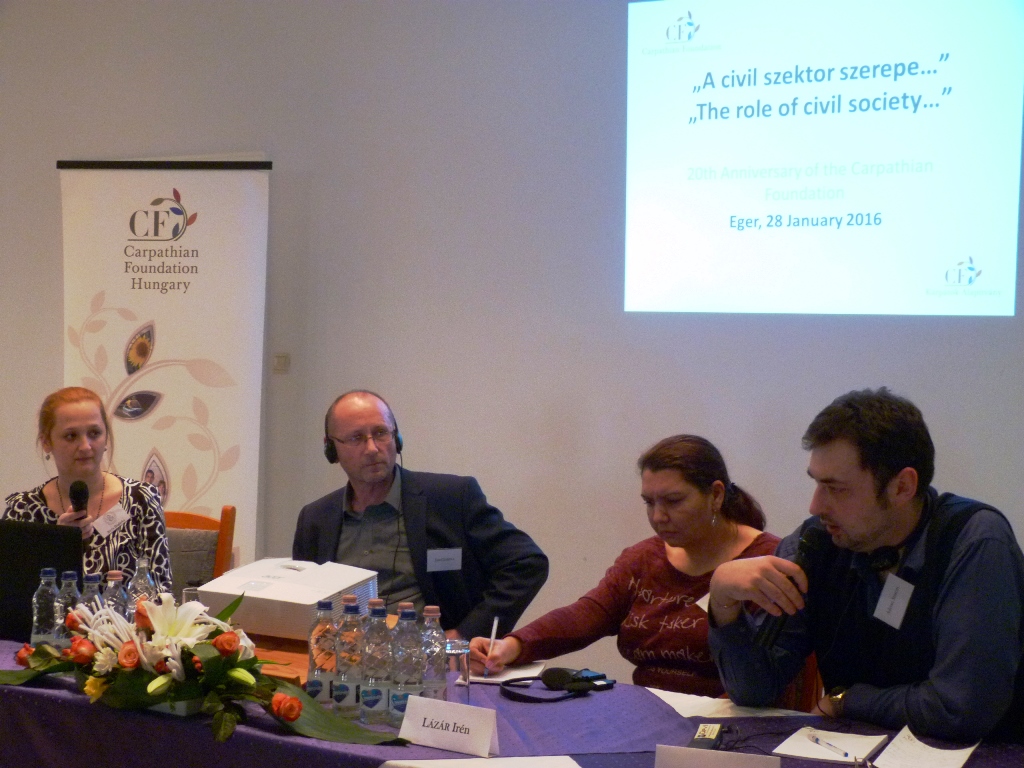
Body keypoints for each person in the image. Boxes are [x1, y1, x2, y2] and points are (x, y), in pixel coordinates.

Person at [708, 388, 1024, 742]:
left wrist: (848, 701)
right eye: (816, 483)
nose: (815, 506)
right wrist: (724, 606)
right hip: (848, 752)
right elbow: (755, 691)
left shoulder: (975, 542)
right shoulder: (816, 542)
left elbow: (960, 709)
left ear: (902, 487)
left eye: (836, 488)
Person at [469, 435, 780, 696]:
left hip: (729, 723)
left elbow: (769, 675)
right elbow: (587, 615)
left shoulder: (768, 561)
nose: (658, 516)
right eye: (649, 502)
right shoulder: (643, 559)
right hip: (650, 714)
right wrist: (511, 646)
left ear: (716, 495)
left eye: (674, 501)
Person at [292, 390, 549, 639]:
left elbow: (527, 563)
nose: (371, 448)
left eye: (380, 433)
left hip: (429, 659)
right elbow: (303, 603)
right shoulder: (315, 519)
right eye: (356, 438)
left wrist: (466, 633)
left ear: (397, 438)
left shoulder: (452, 498)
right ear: (331, 449)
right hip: (345, 658)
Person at [2, 387, 173, 592]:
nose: (85, 446)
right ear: (47, 442)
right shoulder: (23, 511)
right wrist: (57, 543)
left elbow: (160, 594)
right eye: (71, 436)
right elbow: (12, 597)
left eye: (94, 433)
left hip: (125, 614)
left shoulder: (141, 500)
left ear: (106, 437)